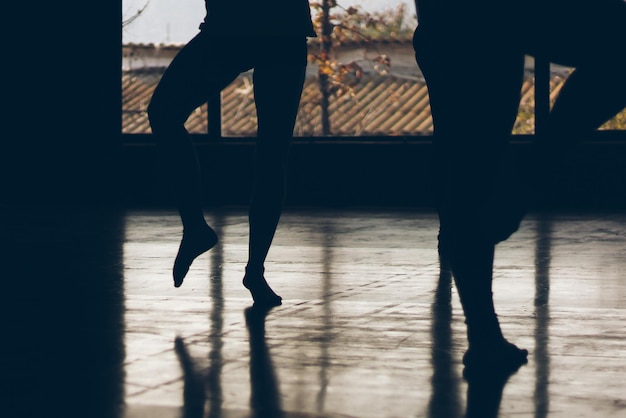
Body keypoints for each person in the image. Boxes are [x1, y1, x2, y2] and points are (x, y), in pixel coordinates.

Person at [412, 0, 626, 375]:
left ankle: (483, 336)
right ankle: (536, 168)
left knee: (467, 161)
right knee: (470, 161)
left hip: (449, 16)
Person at [148, 0, 316, 306]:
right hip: (279, 28)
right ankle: (253, 270)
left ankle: (198, 229)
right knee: (272, 154)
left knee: (164, 112)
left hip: (234, 27)